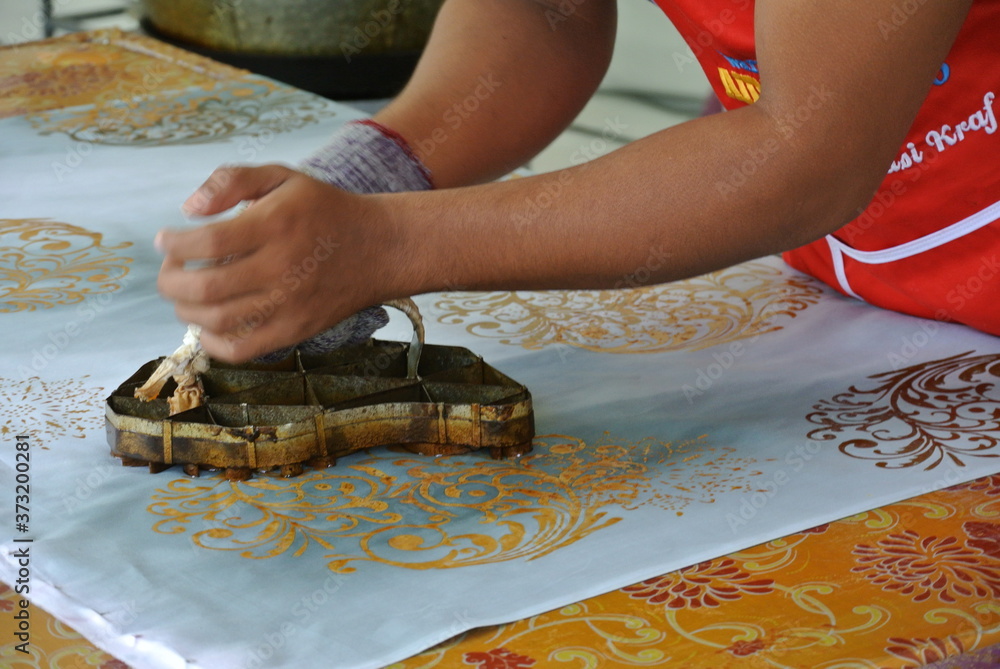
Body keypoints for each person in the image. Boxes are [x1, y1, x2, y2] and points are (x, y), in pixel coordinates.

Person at [155, 0, 998, 364]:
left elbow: (805, 153)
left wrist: (388, 244)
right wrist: (364, 182)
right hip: (853, 286)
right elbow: (541, 19)